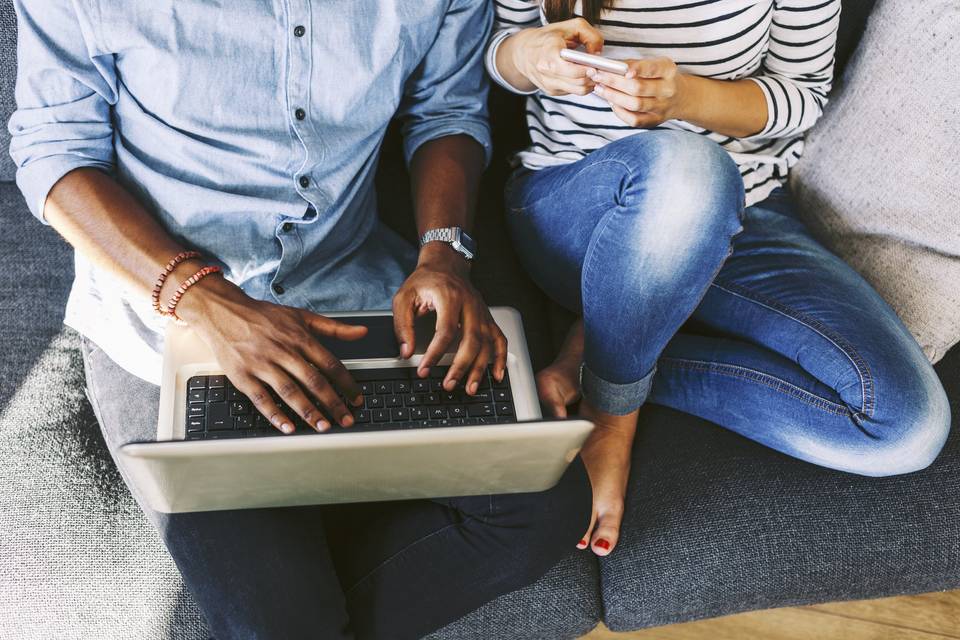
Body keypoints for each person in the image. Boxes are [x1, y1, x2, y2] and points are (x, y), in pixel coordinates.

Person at [9, 1, 592, 637]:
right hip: (167, 322)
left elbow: (446, 111)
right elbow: (54, 154)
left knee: (545, 511)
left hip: (354, 287)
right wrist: (205, 300)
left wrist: (445, 256)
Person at [487, 0, 951, 558]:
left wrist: (687, 97)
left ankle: (610, 351)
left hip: (748, 210)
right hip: (580, 210)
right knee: (687, 168)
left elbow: (800, 96)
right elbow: (497, 55)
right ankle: (612, 409)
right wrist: (529, 56)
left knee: (905, 428)